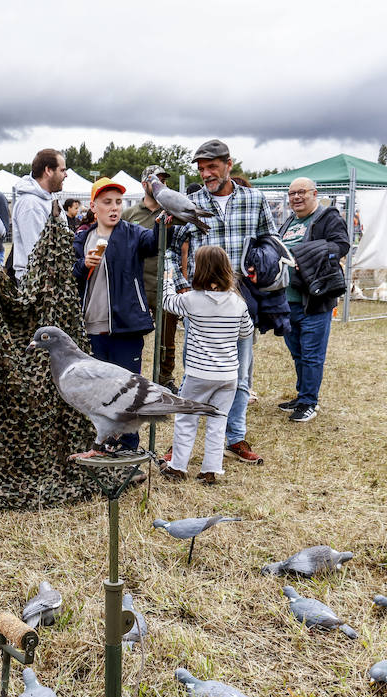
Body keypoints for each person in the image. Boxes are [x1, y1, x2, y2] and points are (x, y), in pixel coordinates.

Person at [165, 139, 279, 465]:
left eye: (211, 167)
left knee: (240, 375)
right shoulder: (189, 202)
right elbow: (173, 249)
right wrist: (185, 286)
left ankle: (235, 437)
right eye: (201, 169)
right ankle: (181, 445)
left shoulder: (254, 200)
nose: (206, 174)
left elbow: (270, 241)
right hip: (201, 302)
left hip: (241, 301)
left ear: (228, 164)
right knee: (193, 375)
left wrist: (263, 266)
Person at [71, 178, 160, 453]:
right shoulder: (83, 238)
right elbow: (72, 279)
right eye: (107, 202)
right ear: (93, 206)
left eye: (118, 202)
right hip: (92, 328)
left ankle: (129, 447)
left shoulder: (133, 234)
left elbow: (156, 243)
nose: (114, 208)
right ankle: (105, 444)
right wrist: (82, 265)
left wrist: (162, 221)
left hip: (126, 328)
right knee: (101, 392)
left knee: (129, 389)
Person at [158, 246, 253, 485]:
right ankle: (211, 470)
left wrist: (168, 278)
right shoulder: (238, 303)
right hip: (228, 374)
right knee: (218, 422)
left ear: (199, 270)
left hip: (198, 374)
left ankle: (178, 466)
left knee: (187, 419)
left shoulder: (192, 300)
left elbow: (167, 302)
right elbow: (246, 332)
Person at [275, 178, 350, 422]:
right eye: (291, 193)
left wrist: (306, 254)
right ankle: (303, 394)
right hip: (287, 300)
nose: (296, 197)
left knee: (311, 353)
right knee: (297, 351)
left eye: (301, 192)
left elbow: (341, 245)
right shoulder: (288, 222)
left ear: (314, 193)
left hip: (315, 299)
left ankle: (309, 401)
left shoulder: (328, 217)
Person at [123, 165, 176, 386]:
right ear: (145, 183)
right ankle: (132, 378)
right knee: (133, 337)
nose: (160, 184)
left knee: (167, 339)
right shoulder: (130, 214)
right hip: (138, 286)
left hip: (164, 283)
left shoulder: (172, 212)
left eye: (164, 180)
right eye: (156, 179)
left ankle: (165, 378)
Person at [10, 148, 68, 281]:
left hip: (51, 279)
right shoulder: (30, 204)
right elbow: (36, 252)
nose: (66, 175)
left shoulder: (50, 198)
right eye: (62, 170)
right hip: (36, 284)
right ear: (48, 170)